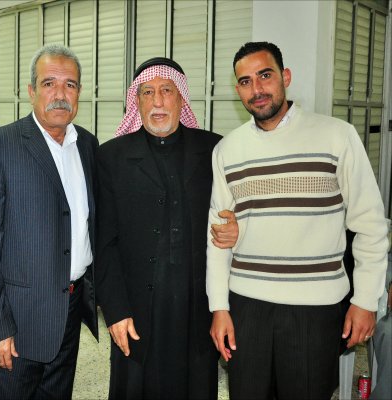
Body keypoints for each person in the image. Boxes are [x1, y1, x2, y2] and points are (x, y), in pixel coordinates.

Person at [206, 42, 389, 399]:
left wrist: (366, 299)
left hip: (315, 309)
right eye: (245, 81)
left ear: (285, 77)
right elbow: (217, 239)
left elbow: (370, 223)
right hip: (247, 306)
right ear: (237, 89)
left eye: (265, 75)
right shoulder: (227, 150)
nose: (257, 89)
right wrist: (219, 308)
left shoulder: (337, 136)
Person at [95, 57, 238, 400]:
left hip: (197, 309)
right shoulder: (111, 157)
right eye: (147, 92)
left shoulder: (214, 150)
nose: (157, 101)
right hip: (137, 311)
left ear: (181, 98)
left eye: (166, 91)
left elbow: (238, 211)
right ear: (136, 101)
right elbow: (103, 242)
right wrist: (115, 310)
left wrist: (239, 228)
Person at [0, 44, 98, 400]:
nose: (60, 94)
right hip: (16, 322)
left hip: (69, 312)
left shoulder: (87, 145)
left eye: (70, 85)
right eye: (48, 83)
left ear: (79, 92)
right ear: (31, 91)